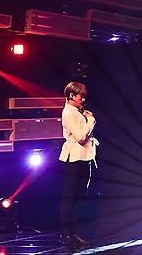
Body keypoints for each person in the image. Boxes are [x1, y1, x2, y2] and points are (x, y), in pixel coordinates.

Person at [58, 81, 98, 247]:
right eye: (81, 96)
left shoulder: (78, 111)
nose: (83, 99)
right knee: (70, 196)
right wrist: (91, 120)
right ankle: (65, 233)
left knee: (80, 196)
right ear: (72, 96)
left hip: (84, 157)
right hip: (74, 158)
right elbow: (81, 136)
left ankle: (74, 232)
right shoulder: (68, 112)